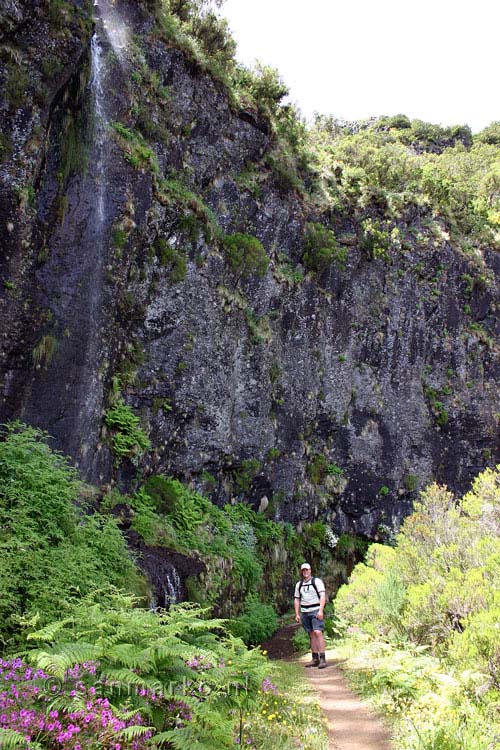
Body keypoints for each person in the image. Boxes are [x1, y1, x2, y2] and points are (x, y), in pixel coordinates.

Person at [294, 562, 327, 668]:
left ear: (310, 570)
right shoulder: (299, 585)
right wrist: (297, 613)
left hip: (315, 610)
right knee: (311, 634)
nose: (305, 572)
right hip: (305, 612)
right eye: (303, 570)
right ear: (301, 571)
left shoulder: (316, 581)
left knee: (318, 632)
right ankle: (315, 658)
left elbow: (322, 596)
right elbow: (297, 599)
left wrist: (320, 610)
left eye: (307, 570)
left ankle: (322, 658)